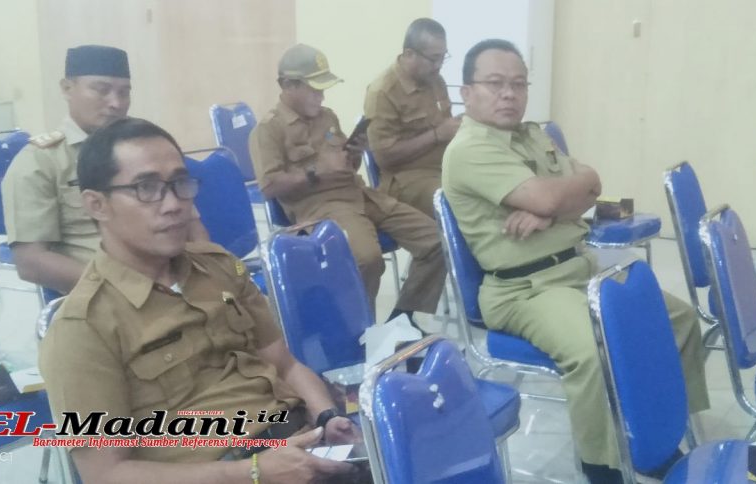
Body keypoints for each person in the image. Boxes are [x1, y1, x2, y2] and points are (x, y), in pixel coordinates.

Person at [441, 39, 709, 484]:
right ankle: (602, 465)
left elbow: (591, 182)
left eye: (518, 84)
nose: (508, 94)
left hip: (579, 268)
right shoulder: (470, 148)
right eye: (495, 83)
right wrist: (557, 200)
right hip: (525, 289)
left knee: (677, 320)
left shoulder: (532, 134)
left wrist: (550, 210)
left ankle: (658, 432)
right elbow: (565, 192)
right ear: (467, 93)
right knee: (596, 347)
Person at [39, 117, 361, 483]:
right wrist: (251, 473)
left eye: (180, 183)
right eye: (147, 188)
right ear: (97, 205)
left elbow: (285, 364)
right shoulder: (81, 329)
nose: (174, 204)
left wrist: (327, 418)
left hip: (296, 443)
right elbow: (106, 474)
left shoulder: (218, 266)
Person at [249, 43, 445, 321]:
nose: (321, 96)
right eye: (314, 89)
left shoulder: (327, 116)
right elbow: (269, 186)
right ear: (288, 85)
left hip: (362, 195)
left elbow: (346, 166)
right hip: (321, 207)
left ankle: (402, 320)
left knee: (437, 241)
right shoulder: (268, 129)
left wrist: (354, 154)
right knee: (366, 259)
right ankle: (359, 332)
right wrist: (317, 172)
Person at [2, 45, 206, 294]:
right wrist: (133, 290)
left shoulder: (146, 150)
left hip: (179, 281)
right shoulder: (40, 162)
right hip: (108, 296)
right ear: (67, 88)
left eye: (124, 92)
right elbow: (31, 262)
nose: (116, 103)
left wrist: (207, 277)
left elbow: (192, 226)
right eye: (101, 90)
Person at [363, 18, 461, 218]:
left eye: (443, 57)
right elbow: (384, 157)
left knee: (487, 188)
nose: (439, 65)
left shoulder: (435, 80)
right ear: (409, 54)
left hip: (444, 167)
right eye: (433, 59)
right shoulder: (383, 91)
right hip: (404, 179)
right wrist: (436, 135)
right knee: (457, 200)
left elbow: (446, 128)